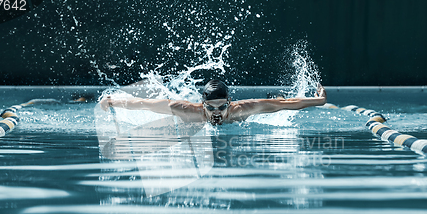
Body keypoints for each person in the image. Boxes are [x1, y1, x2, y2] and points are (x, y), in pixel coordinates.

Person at [100, 79, 327, 126]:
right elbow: (143, 104)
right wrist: (112, 101)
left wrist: (318, 101)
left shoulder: (241, 110)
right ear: (202, 104)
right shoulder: (187, 111)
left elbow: (285, 104)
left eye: (222, 107)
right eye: (211, 108)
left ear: (230, 102)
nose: (216, 113)